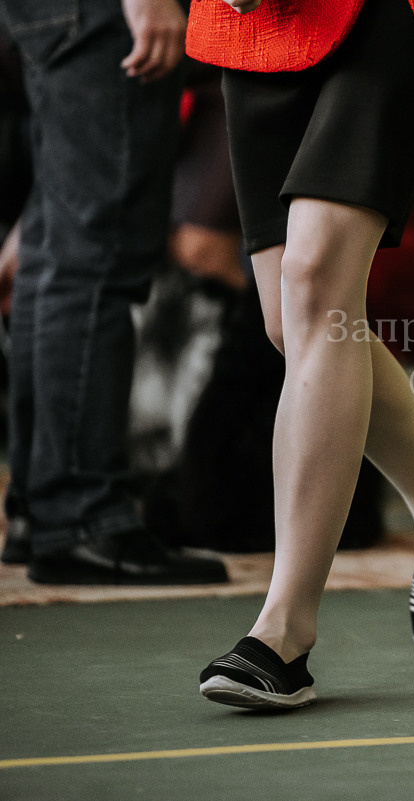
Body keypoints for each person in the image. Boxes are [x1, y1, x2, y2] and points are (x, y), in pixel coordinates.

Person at [186, 0, 414, 710]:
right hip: (259, 19)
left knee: (315, 282)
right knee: (291, 323)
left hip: (396, 14)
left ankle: (284, 630)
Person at [0, 0, 228, 585]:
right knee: (96, 258)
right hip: (103, 13)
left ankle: (39, 506)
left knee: (57, 247)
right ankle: (81, 517)